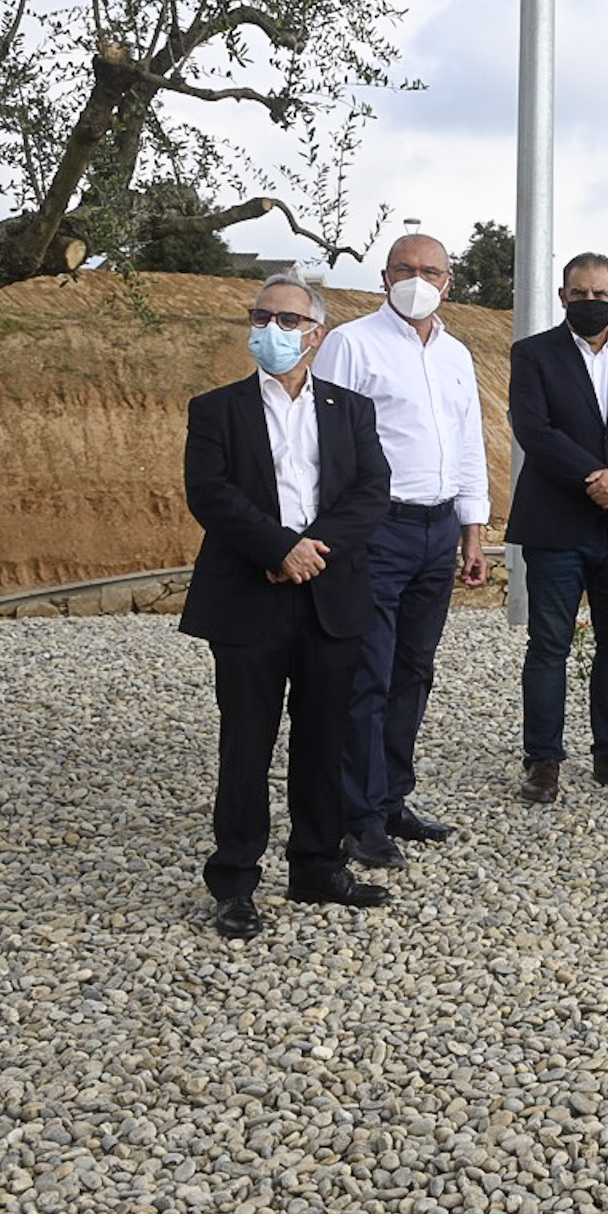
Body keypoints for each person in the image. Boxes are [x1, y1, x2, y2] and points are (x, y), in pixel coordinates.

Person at [181, 272, 393, 939]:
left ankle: (316, 864)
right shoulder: (216, 409)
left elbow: (371, 491)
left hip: (329, 593)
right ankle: (235, 879)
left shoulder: (350, 409)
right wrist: (278, 548)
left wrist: (312, 549)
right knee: (246, 740)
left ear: (316, 333)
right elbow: (210, 494)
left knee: (325, 737)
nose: (273, 329)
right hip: (250, 593)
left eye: (288, 319)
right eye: (262, 316)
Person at [312, 232, 490, 868]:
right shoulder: (352, 344)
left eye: (431, 271)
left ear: (448, 281)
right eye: (405, 269)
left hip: (438, 529)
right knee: (368, 671)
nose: (418, 279)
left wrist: (473, 527)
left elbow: (467, 440)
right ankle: (355, 814)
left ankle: (391, 797)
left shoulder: (457, 355)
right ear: (385, 276)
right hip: (375, 529)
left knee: (414, 671)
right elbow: (324, 442)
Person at [506, 252, 608, 804]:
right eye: (579, 294)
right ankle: (544, 761)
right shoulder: (532, 354)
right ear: (562, 297)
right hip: (556, 524)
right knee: (549, 645)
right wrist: (595, 479)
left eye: (599, 294)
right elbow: (535, 429)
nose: (590, 303)